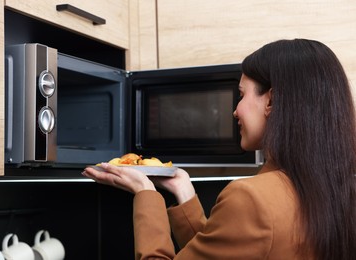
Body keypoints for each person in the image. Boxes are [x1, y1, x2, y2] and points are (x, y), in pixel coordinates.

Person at [82, 39, 356, 260]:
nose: (235, 110)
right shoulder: (337, 190)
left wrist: (145, 193)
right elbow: (232, 249)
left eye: (242, 95)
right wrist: (183, 189)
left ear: (271, 100)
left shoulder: (252, 199)